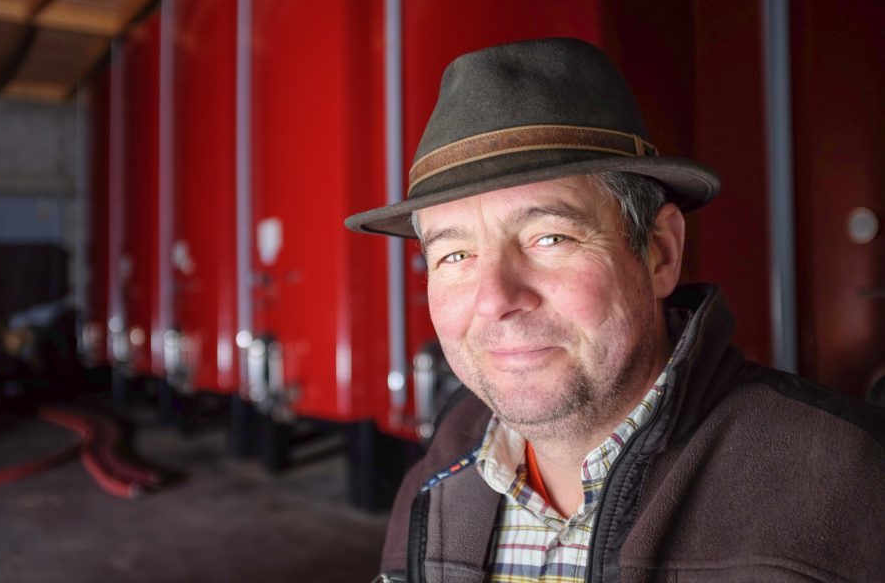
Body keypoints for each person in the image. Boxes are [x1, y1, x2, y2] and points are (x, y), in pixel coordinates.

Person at [346, 38, 885, 583]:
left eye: (549, 238)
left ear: (659, 253)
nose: (495, 299)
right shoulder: (437, 475)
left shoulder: (850, 483)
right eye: (455, 255)